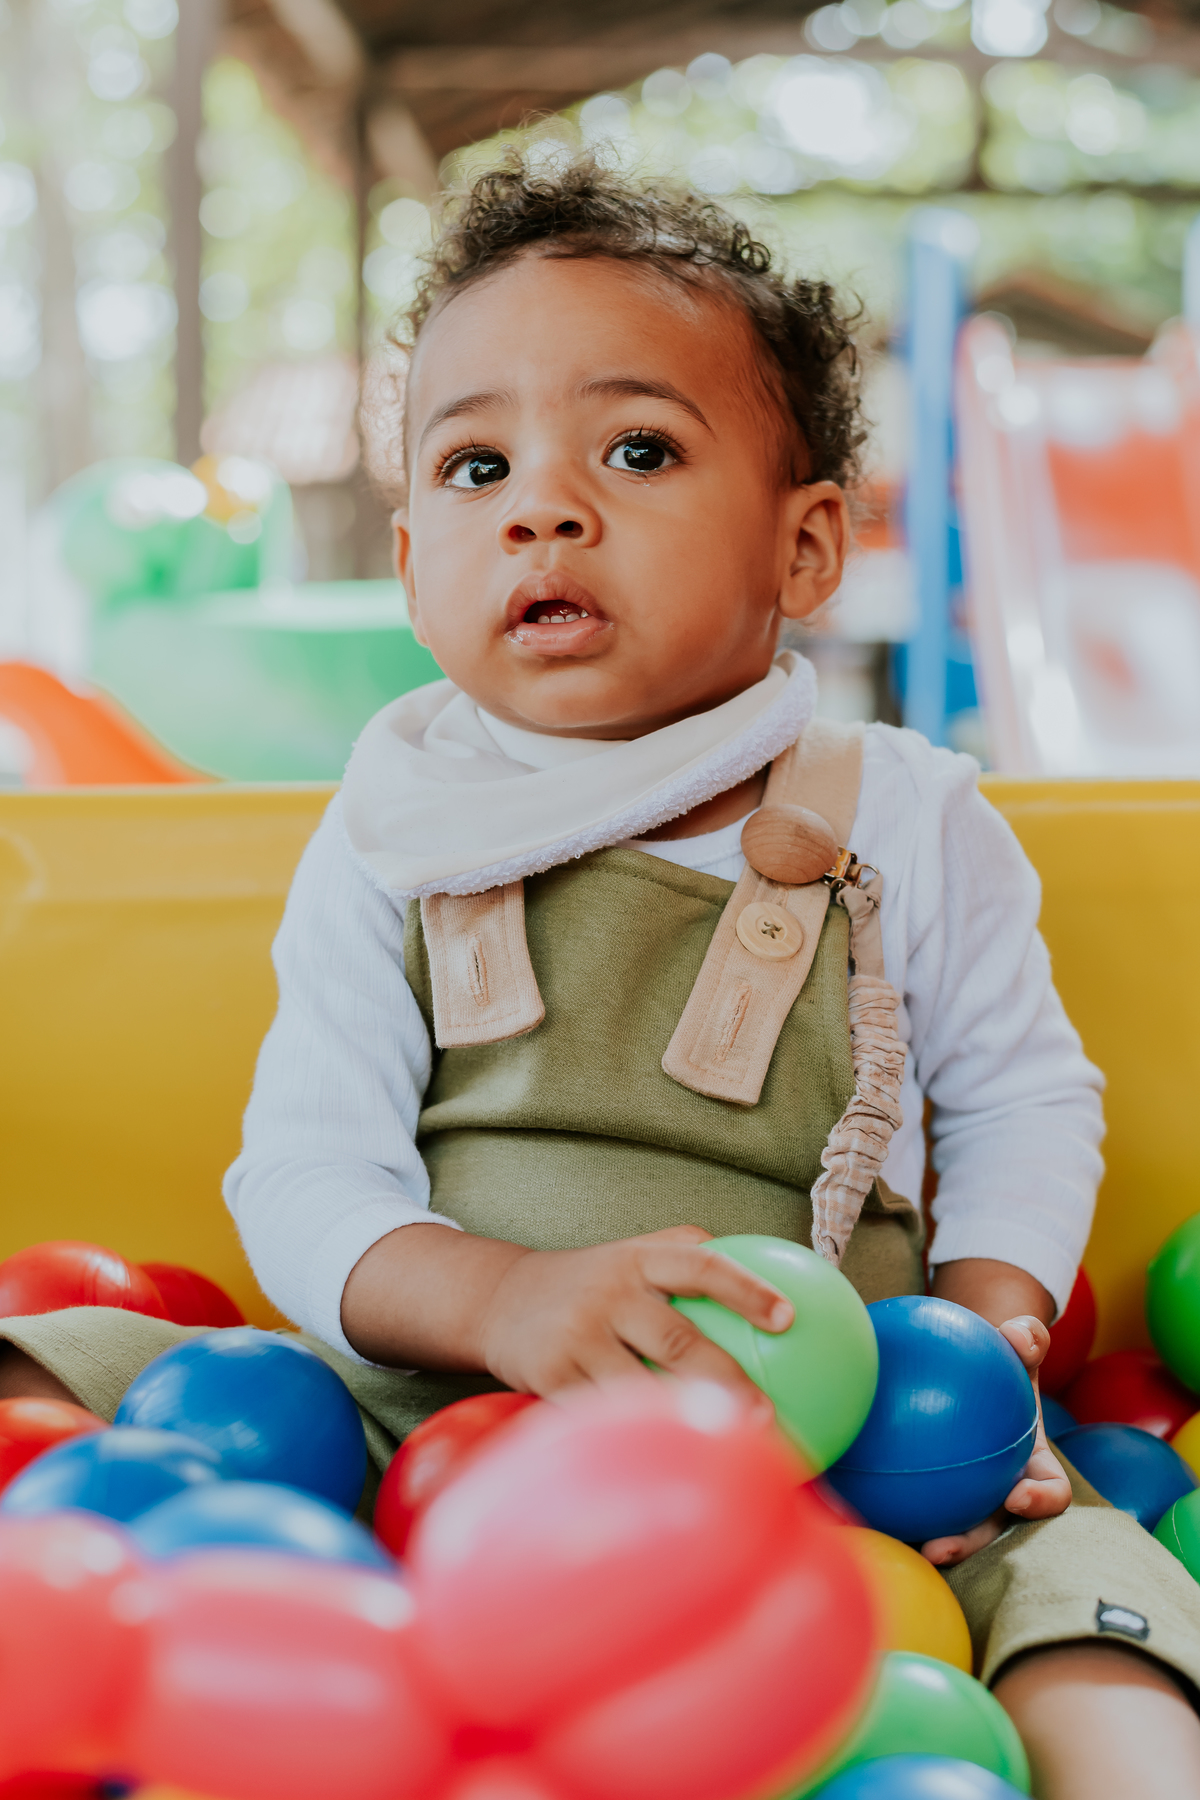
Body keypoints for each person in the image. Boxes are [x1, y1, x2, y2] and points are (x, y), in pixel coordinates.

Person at [3, 158, 1199, 1796]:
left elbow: (1021, 1096)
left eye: (636, 450)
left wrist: (990, 1339)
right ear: (413, 563)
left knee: (1086, 1586)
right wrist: (498, 1302)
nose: (542, 509)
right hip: (424, 1418)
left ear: (807, 546)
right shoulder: (393, 832)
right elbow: (303, 1173)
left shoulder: (903, 813)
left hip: (838, 1448)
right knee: (72, 1374)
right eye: (477, 465)